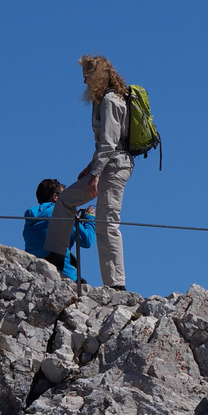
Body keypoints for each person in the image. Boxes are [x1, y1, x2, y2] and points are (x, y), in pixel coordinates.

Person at [45, 57, 133, 288]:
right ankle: (55, 257)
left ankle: (117, 285)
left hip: (114, 167)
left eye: (87, 76)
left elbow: (109, 143)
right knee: (65, 200)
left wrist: (94, 174)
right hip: (108, 164)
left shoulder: (111, 101)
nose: (84, 81)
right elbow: (107, 144)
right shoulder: (104, 100)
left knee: (107, 224)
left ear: (97, 77)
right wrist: (91, 166)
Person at [23, 179, 94, 281]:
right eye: (64, 195)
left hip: (34, 271)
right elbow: (87, 241)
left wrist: (72, 219)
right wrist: (89, 218)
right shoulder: (61, 213)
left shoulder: (30, 216)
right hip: (62, 273)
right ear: (55, 197)